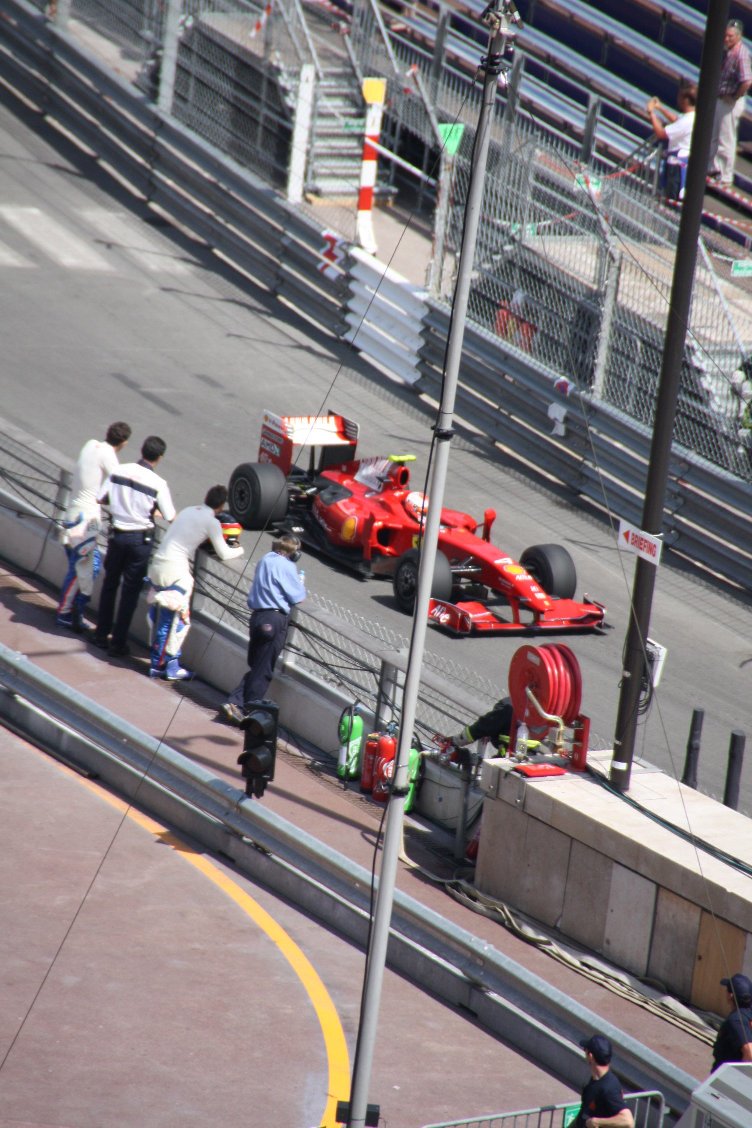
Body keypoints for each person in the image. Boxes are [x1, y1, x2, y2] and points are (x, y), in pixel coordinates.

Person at [146, 485, 244, 681]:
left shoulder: (188, 510)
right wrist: (239, 549)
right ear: (221, 506)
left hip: (157, 565)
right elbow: (224, 553)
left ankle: (161, 662)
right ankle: (165, 665)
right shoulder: (212, 522)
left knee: (160, 615)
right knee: (178, 620)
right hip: (175, 571)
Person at [93, 436, 176, 658]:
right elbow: (170, 515)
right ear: (160, 457)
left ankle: (100, 634)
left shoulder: (119, 470)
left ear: (142, 450)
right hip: (140, 542)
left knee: (110, 584)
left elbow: (100, 498)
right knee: (130, 593)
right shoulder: (158, 483)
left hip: (117, 536)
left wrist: (122, 504)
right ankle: (118, 643)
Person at [220, 533, 306, 724]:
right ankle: (247, 708)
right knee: (264, 670)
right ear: (294, 553)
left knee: (257, 665)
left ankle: (235, 702)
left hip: (258, 617)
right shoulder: (288, 566)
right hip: (274, 618)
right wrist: (299, 582)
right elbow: (298, 596)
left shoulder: (265, 559)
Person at [56, 421, 131, 632]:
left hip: (73, 515)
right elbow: (119, 483)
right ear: (124, 443)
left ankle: (72, 612)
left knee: (83, 568)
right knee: (85, 569)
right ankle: (66, 613)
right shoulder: (108, 454)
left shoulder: (90, 444)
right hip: (85, 522)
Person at [708, 20, 752, 187]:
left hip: (731, 102)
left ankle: (726, 176)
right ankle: (713, 168)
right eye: (725, 35)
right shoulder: (729, 51)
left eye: (730, 36)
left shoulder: (741, 53)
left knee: (726, 138)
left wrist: (735, 96)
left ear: (739, 36)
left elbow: (747, 80)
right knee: (715, 135)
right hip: (721, 98)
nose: (726, 39)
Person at [646, 84, 697, 200]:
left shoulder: (687, 121)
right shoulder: (692, 116)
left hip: (677, 166)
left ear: (686, 100)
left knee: (672, 199)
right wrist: (659, 107)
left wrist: (651, 113)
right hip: (679, 162)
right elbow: (676, 119)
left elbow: (661, 134)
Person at [575, 1035, 634, 1128]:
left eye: (585, 1050)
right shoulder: (596, 1079)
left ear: (590, 1056)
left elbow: (628, 1120)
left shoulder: (608, 1087)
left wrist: (596, 1122)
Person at [711, 972, 752, 1071]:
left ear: (730, 996)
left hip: (726, 1078)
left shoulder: (736, 1020)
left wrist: (743, 1076)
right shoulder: (748, 1013)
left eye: (727, 990)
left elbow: (749, 1053)